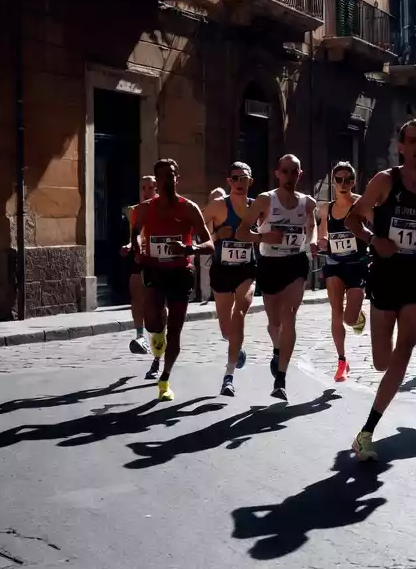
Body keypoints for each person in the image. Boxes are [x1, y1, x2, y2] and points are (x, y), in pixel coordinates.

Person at [346, 119, 416, 461]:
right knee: (382, 360)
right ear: (401, 147)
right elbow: (352, 220)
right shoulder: (385, 181)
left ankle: (366, 432)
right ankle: (364, 324)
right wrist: (373, 239)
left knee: (404, 352)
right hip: (385, 276)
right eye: (414, 140)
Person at [129, 158, 214, 401]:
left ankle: (165, 379)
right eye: (162, 176)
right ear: (157, 181)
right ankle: (157, 333)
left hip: (180, 273)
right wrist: (135, 247)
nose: (167, 179)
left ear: (177, 178)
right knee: (151, 319)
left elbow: (209, 244)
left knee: (175, 330)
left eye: (171, 175)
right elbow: (135, 234)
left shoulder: (189, 208)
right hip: (154, 269)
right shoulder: (145, 208)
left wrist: (190, 249)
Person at [239, 154, 319, 401]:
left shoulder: (307, 203)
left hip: (296, 262)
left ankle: (280, 379)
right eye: (285, 171)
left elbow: (312, 225)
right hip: (270, 264)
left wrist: (313, 241)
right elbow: (242, 232)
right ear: (277, 174)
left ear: (300, 175)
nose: (289, 176)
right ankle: (277, 349)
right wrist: (263, 237)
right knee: (274, 322)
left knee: (289, 316)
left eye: (294, 172)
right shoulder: (265, 200)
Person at [201, 163, 256, 397]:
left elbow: (270, 228)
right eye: (235, 178)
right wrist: (216, 235)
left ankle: (229, 375)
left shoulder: (257, 206)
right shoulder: (217, 206)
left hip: (246, 270)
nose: (239, 183)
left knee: (240, 312)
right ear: (229, 181)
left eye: (243, 178)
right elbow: (198, 229)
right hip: (221, 270)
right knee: (226, 328)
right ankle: (236, 345)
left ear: (250, 181)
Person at [316, 161, 369, 382]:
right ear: (334, 182)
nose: (343, 183)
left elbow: (375, 229)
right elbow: (322, 234)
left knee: (349, 319)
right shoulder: (326, 209)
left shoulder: (361, 204)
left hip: (357, 265)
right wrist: (321, 241)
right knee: (336, 312)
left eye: (348, 180)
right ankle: (341, 361)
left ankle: (357, 316)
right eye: (339, 180)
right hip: (335, 264)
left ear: (353, 182)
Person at [124, 175, 158, 355]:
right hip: (139, 256)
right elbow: (134, 235)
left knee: (156, 301)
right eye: (143, 188)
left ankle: (158, 338)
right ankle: (140, 336)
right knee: (136, 296)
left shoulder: (163, 208)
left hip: (157, 258)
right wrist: (129, 246)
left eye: (150, 188)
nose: (146, 192)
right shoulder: (135, 211)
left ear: (157, 189)